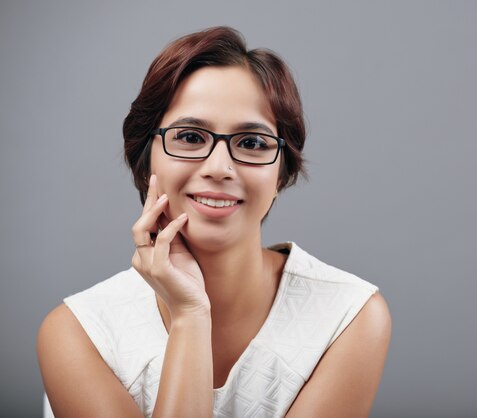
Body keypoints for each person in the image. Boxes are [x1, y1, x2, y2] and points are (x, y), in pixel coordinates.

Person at [37, 26, 391, 418]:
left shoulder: (347, 314)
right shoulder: (78, 332)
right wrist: (190, 317)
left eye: (253, 143)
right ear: (144, 164)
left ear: (281, 176)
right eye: (189, 137)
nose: (219, 168)